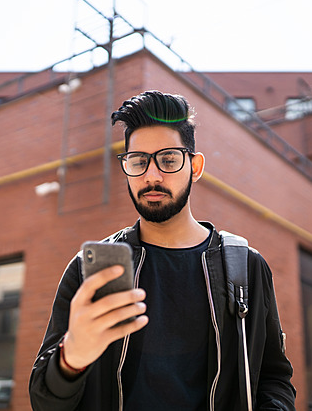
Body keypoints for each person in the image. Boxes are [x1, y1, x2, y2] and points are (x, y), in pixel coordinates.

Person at [29, 90, 296, 410]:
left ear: (195, 167)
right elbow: (44, 401)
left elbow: (274, 378)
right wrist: (72, 359)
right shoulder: (90, 271)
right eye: (138, 161)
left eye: (168, 159)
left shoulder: (245, 266)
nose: (151, 176)